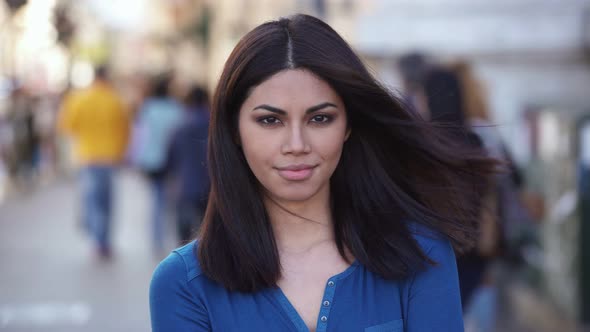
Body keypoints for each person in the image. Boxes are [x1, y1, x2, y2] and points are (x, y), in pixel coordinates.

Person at [150, 14, 497, 331]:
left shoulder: (423, 255)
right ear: (234, 130)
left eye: (320, 118)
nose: (297, 144)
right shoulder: (183, 283)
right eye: (270, 120)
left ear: (348, 125)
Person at [58, 65, 130, 259]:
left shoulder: (80, 99)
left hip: (87, 156)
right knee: (106, 201)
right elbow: (125, 130)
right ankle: (103, 240)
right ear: (106, 77)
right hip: (110, 158)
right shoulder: (116, 100)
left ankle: (97, 237)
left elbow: (67, 126)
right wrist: (121, 152)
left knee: (92, 199)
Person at [132, 75, 183, 252]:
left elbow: (140, 135)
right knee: (173, 200)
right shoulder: (176, 108)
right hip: (174, 160)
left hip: (153, 159)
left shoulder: (148, 108)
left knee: (156, 199)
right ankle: (175, 237)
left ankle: (157, 239)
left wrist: (137, 158)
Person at [166, 86, 210, 243]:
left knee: (183, 237)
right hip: (211, 186)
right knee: (208, 233)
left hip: (185, 185)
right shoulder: (215, 126)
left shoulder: (180, 126)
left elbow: (170, 159)